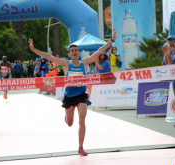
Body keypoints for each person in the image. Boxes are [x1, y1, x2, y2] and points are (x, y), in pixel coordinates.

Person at [28, 28, 117, 156]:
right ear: (69, 54)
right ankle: (67, 117)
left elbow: (99, 51)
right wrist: (34, 50)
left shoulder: (84, 62)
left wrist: (112, 40)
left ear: (79, 53)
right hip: (69, 96)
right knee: (70, 123)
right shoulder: (65, 63)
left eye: (76, 50)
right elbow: (49, 56)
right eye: (72, 51)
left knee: (82, 120)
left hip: (81, 95)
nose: (74, 52)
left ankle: (81, 147)